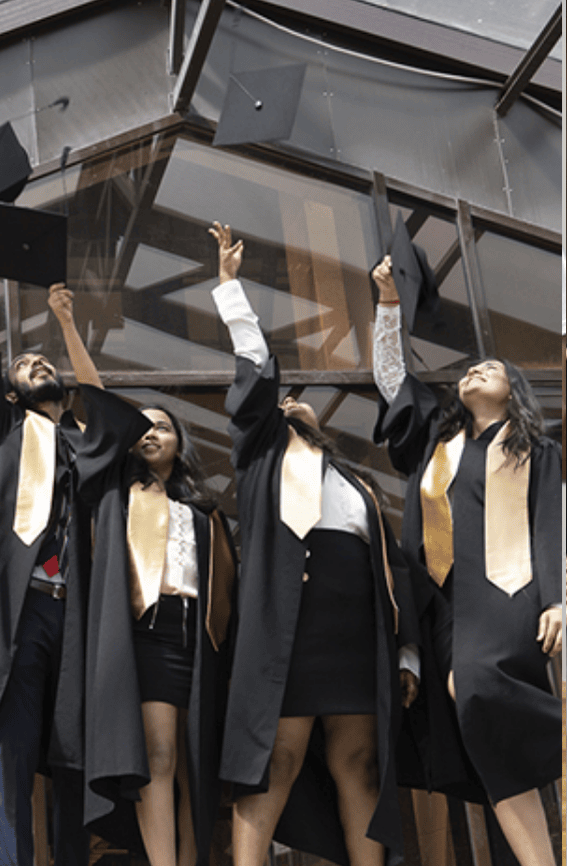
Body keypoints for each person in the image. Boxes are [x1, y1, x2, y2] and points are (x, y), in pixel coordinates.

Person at [0, 215, 145, 866]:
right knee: (15, 746)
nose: (36, 364)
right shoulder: (5, 430)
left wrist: (65, 325)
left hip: (76, 611)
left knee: (72, 750)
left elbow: (104, 410)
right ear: (11, 390)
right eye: (25, 365)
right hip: (20, 607)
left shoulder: (84, 444)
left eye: (43, 362)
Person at [210, 222, 417, 866]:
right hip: (287, 626)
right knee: (276, 758)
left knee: (359, 759)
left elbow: (393, 569)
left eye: (299, 403)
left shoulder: (356, 485)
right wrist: (231, 290)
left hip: (353, 632)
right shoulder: (261, 457)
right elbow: (255, 376)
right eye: (283, 402)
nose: (292, 404)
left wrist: (406, 651)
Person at [370, 255, 562, 866]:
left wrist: (557, 599)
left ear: (514, 391)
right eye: (471, 368)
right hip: (444, 604)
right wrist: (388, 303)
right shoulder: (437, 441)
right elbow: (392, 380)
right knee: (482, 733)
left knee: (474, 689)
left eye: (491, 368)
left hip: (507, 593)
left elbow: (548, 527)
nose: (476, 369)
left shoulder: (535, 450)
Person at [73, 347, 236, 866]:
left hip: (202, 638)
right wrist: (69, 324)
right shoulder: (117, 496)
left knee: (196, 765)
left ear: (179, 443)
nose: (150, 433)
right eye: (141, 428)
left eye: (162, 427)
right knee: (159, 755)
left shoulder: (205, 512)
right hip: (148, 632)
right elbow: (97, 405)